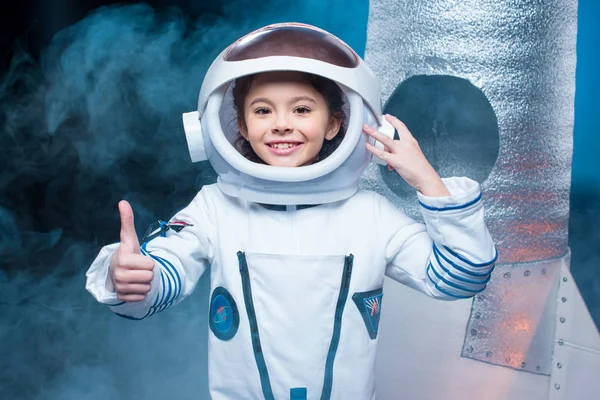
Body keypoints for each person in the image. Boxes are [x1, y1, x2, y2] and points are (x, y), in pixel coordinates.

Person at [86, 23, 496, 400]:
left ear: (337, 124)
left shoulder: (372, 215)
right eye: (263, 110)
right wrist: (129, 278)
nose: (282, 124)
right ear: (239, 127)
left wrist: (427, 179)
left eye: (302, 109)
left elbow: (462, 277)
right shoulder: (216, 207)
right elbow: (159, 281)